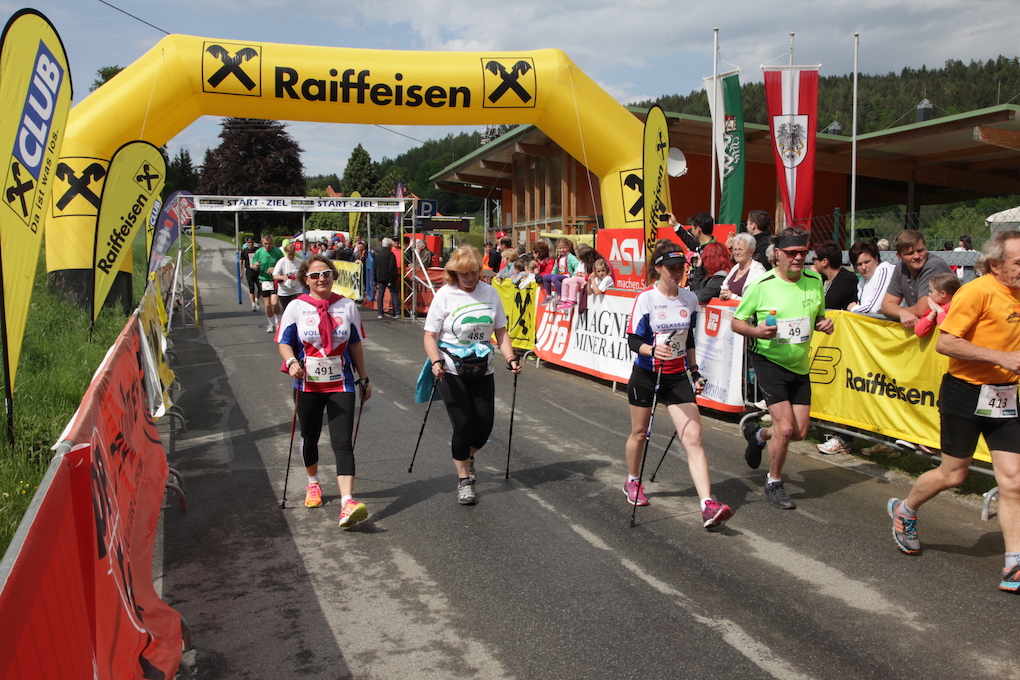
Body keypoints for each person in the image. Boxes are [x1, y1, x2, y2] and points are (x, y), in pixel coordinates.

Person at [887, 231, 1020, 592]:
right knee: (954, 474)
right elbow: (945, 342)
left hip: (1004, 395)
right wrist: (1002, 358)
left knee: (1013, 480)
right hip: (964, 393)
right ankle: (905, 509)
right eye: (1018, 262)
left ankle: (1014, 562)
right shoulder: (976, 292)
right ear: (996, 265)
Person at [623, 244, 734, 528]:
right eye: (671, 269)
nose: (677, 273)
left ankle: (707, 504)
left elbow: (690, 339)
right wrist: (652, 350)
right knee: (640, 433)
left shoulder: (689, 298)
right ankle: (633, 480)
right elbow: (633, 340)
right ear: (658, 268)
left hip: (676, 377)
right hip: (647, 374)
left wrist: (695, 372)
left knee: (693, 437)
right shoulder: (646, 299)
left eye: (680, 268)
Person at [731, 228, 833, 509]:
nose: (798, 258)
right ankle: (773, 482)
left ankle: (757, 435)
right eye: (791, 253)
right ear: (777, 254)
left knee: (798, 433)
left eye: (803, 252)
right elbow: (737, 322)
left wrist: (824, 324)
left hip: (799, 364)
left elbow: (818, 318)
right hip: (769, 361)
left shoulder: (814, 280)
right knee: (785, 429)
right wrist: (756, 331)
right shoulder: (762, 284)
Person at [277, 254, 372, 529]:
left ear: (333, 276)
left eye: (327, 273)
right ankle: (313, 483)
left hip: (341, 382)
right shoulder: (296, 307)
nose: (322, 279)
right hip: (307, 383)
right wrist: (291, 362)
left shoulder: (347, 306)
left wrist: (364, 378)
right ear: (305, 279)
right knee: (310, 436)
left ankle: (347, 502)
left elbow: (355, 344)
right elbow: (284, 342)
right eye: (315, 275)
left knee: (342, 441)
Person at [423, 246, 522, 505]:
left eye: (474, 272)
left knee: (484, 427)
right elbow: (430, 336)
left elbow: (500, 331)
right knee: (463, 424)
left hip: (482, 367)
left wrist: (510, 358)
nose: (469, 277)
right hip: (450, 368)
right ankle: (464, 481)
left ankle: (466, 455)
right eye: (464, 273)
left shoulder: (490, 292)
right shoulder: (445, 295)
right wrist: (435, 361)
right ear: (454, 272)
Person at [880, 230, 954, 331]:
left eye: (920, 250)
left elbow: (922, 310)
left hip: (949, 328)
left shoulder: (934, 265)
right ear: (899, 256)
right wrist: (902, 313)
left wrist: (899, 311)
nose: (916, 256)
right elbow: (886, 305)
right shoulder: (901, 268)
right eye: (910, 253)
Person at [665, 211, 716, 291]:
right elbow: (688, 240)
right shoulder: (701, 247)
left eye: (692, 228)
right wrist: (675, 224)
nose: (691, 231)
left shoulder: (713, 250)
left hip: (703, 293)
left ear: (698, 229)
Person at [847, 240, 896, 315]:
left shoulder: (884, 270)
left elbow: (874, 309)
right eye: (859, 264)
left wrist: (854, 308)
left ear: (876, 258)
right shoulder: (862, 281)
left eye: (867, 262)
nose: (864, 267)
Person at [251, 233, 284, 333]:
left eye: (269, 243)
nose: (267, 246)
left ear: (272, 243)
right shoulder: (259, 252)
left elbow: (283, 264)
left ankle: (278, 321)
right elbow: (253, 265)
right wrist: (256, 266)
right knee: (267, 305)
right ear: (262, 243)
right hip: (264, 280)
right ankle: (271, 323)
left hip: (275, 280)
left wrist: (275, 269)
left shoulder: (277, 251)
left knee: (274, 303)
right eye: (265, 243)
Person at [811, 240, 858, 310]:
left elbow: (825, 304)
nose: (813, 263)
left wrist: (815, 279)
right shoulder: (824, 278)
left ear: (824, 262)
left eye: (814, 259)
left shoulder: (847, 279)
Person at [720, 232, 767, 301]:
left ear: (751, 251)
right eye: (735, 249)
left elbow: (756, 301)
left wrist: (732, 296)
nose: (737, 253)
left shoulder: (758, 272)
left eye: (740, 249)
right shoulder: (735, 268)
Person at [912, 272, 961, 337]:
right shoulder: (933, 309)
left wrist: (940, 311)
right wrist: (932, 314)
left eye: (931, 291)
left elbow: (945, 328)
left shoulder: (956, 306)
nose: (929, 294)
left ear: (943, 294)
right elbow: (919, 332)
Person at [558, 244, 597, 311]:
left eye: (577, 254)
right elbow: (577, 273)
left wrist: (586, 281)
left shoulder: (591, 263)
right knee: (565, 281)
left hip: (586, 280)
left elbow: (591, 275)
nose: (577, 256)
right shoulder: (581, 262)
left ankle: (572, 300)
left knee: (574, 279)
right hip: (579, 278)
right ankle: (564, 300)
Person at [544, 238, 579, 309]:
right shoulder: (558, 258)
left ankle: (562, 296)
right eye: (560, 248)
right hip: (560, 275)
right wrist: (551, 276)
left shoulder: (570, 257)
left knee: (554, 278)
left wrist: (574, 276)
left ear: (568, 247)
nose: (562, 250)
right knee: (546, 277)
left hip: (567, 276)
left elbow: (577, 266)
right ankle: (549, 295)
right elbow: (555, 269)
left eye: (564, 248)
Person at [273, 242, 304, 311]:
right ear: (286, 252)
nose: (291, 256)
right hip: (284, 292)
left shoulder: (299, 262)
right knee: (287, 311)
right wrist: (282, 277)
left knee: (297, 310)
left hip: (296, 290)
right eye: (289, 254)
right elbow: (275, 276)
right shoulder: (281, 262)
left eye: (292, 254)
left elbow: (304, 273)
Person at [373, 237, 399, 319]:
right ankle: (397, 312)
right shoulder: (390, 254)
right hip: (389, 278)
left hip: (380, 278)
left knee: (380, 295)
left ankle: (380, 312)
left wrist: (376, 278)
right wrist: (390, 279)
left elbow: (375, 266)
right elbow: (392, 268)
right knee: (394, 294)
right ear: (388, 245)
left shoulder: (378, 254)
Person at [240, 235, 261, 312]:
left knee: (260, 288)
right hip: (249, 271)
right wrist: (241, 272)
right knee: (251, 288)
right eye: (249, 242)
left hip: (258, 271)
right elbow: (241, 262)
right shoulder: (244, 251)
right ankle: (253, 304)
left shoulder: (257, 250)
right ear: (246, 243)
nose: (251, 244)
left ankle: (257, 299)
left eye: (252, 242)